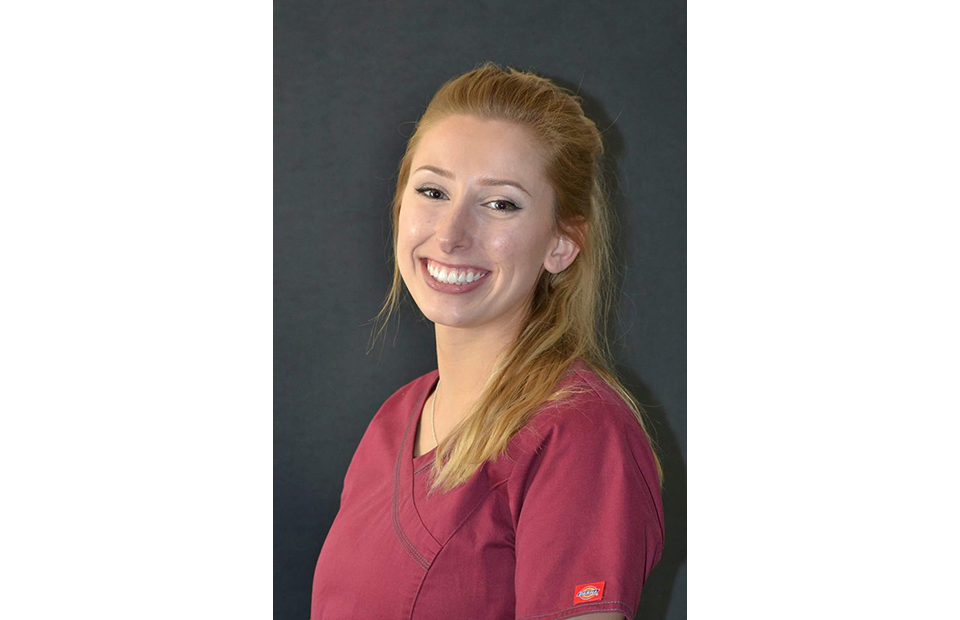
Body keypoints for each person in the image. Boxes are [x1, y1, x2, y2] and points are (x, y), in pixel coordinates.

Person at [311, 62, 664, 620]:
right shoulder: (394, 420)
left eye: (500, 204)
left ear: (561, 246)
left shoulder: (579, 434)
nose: (451, 234)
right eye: (432, 191)